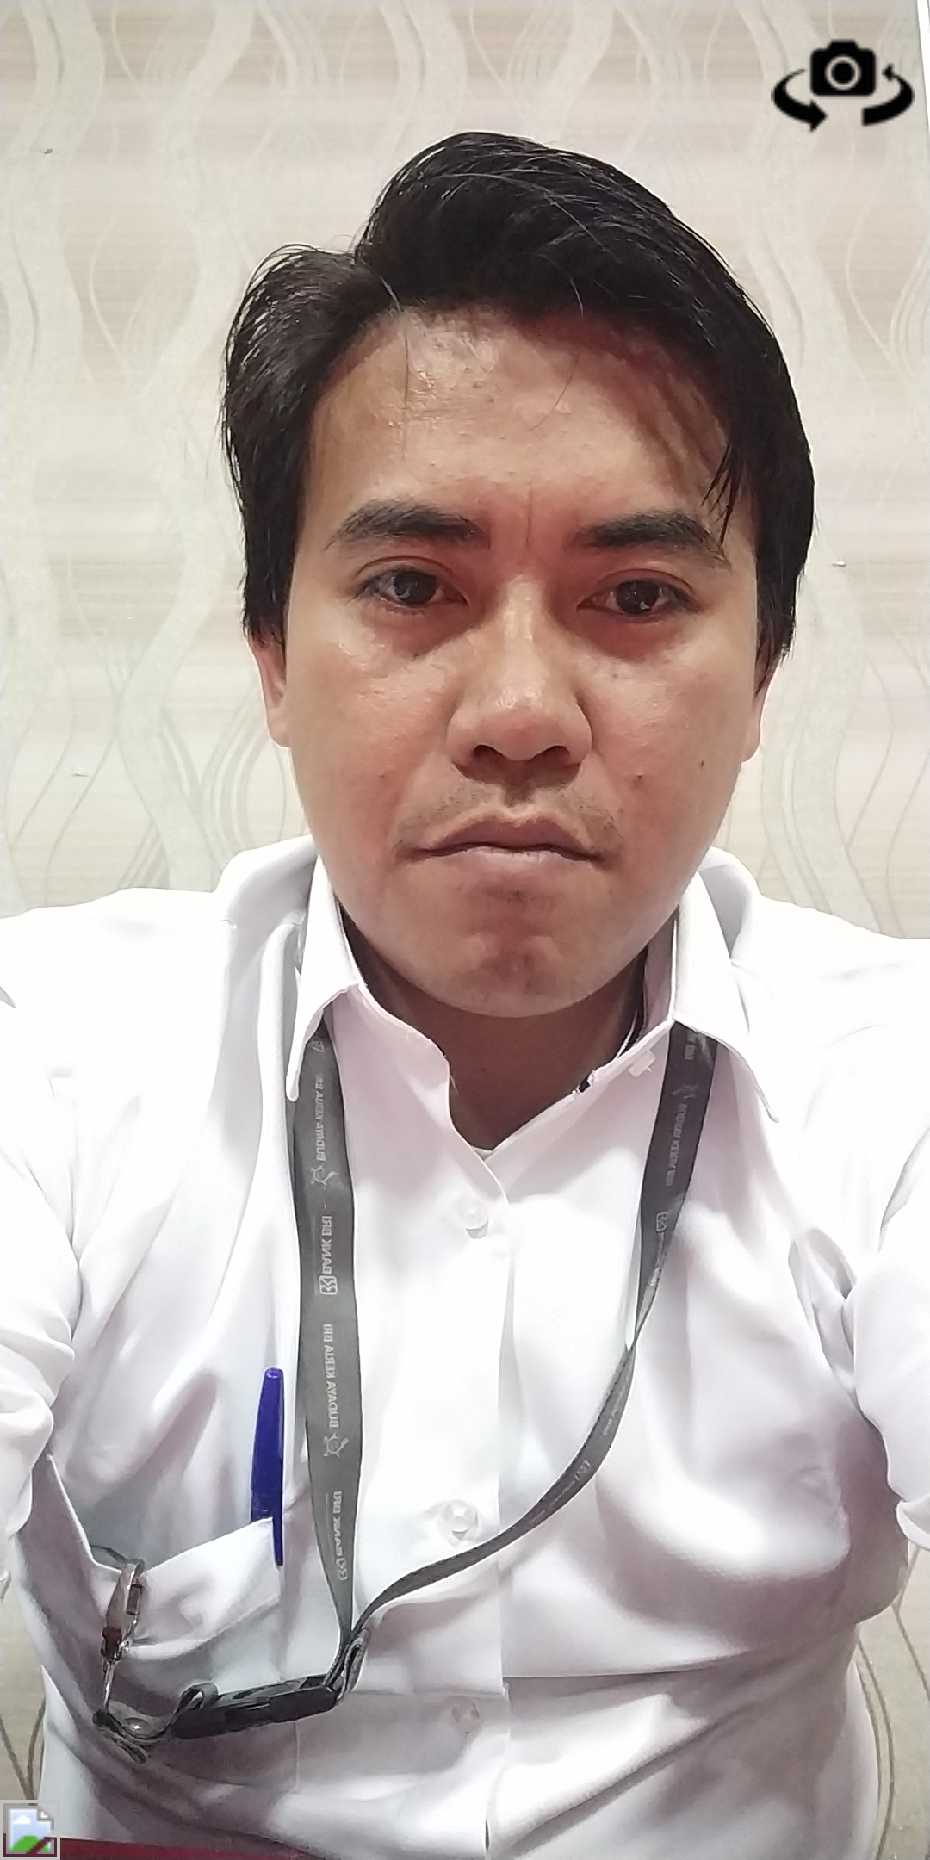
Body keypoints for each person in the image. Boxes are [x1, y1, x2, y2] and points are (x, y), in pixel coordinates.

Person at [0, 129, 927, 1860]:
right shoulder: (50, 1054)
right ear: (274, 657)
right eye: (411, 587)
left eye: (634, 597)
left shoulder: (890, 1086)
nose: (517, 713)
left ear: (761, 677)